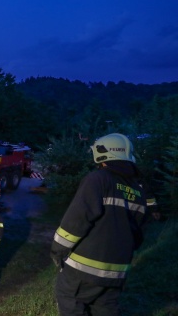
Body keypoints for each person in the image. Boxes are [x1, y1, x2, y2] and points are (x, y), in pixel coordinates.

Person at [50, 133, 148, 316]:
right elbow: (138, 235)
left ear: (103, 156)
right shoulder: (138, 192)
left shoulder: (99, 179)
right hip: (117, 273)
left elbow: (76, 220)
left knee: (71, 302)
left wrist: (57, 250)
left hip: (82, 271)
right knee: (106, 309)